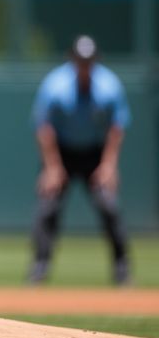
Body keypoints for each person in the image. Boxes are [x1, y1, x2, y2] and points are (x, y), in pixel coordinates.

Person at [27, 35, 131, 286]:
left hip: (95, 152)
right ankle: (40, 267)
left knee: (109, 206)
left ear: (96, 61)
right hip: (61, 151)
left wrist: (108, 165)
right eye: (81, 61)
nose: (85, 66)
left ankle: (121, 269)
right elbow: (43, 127)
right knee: (48, 206)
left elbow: (117, 127)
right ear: (72, 60)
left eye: (89, 61)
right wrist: (52, 167)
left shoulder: (109, 85)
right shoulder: (56, 85)